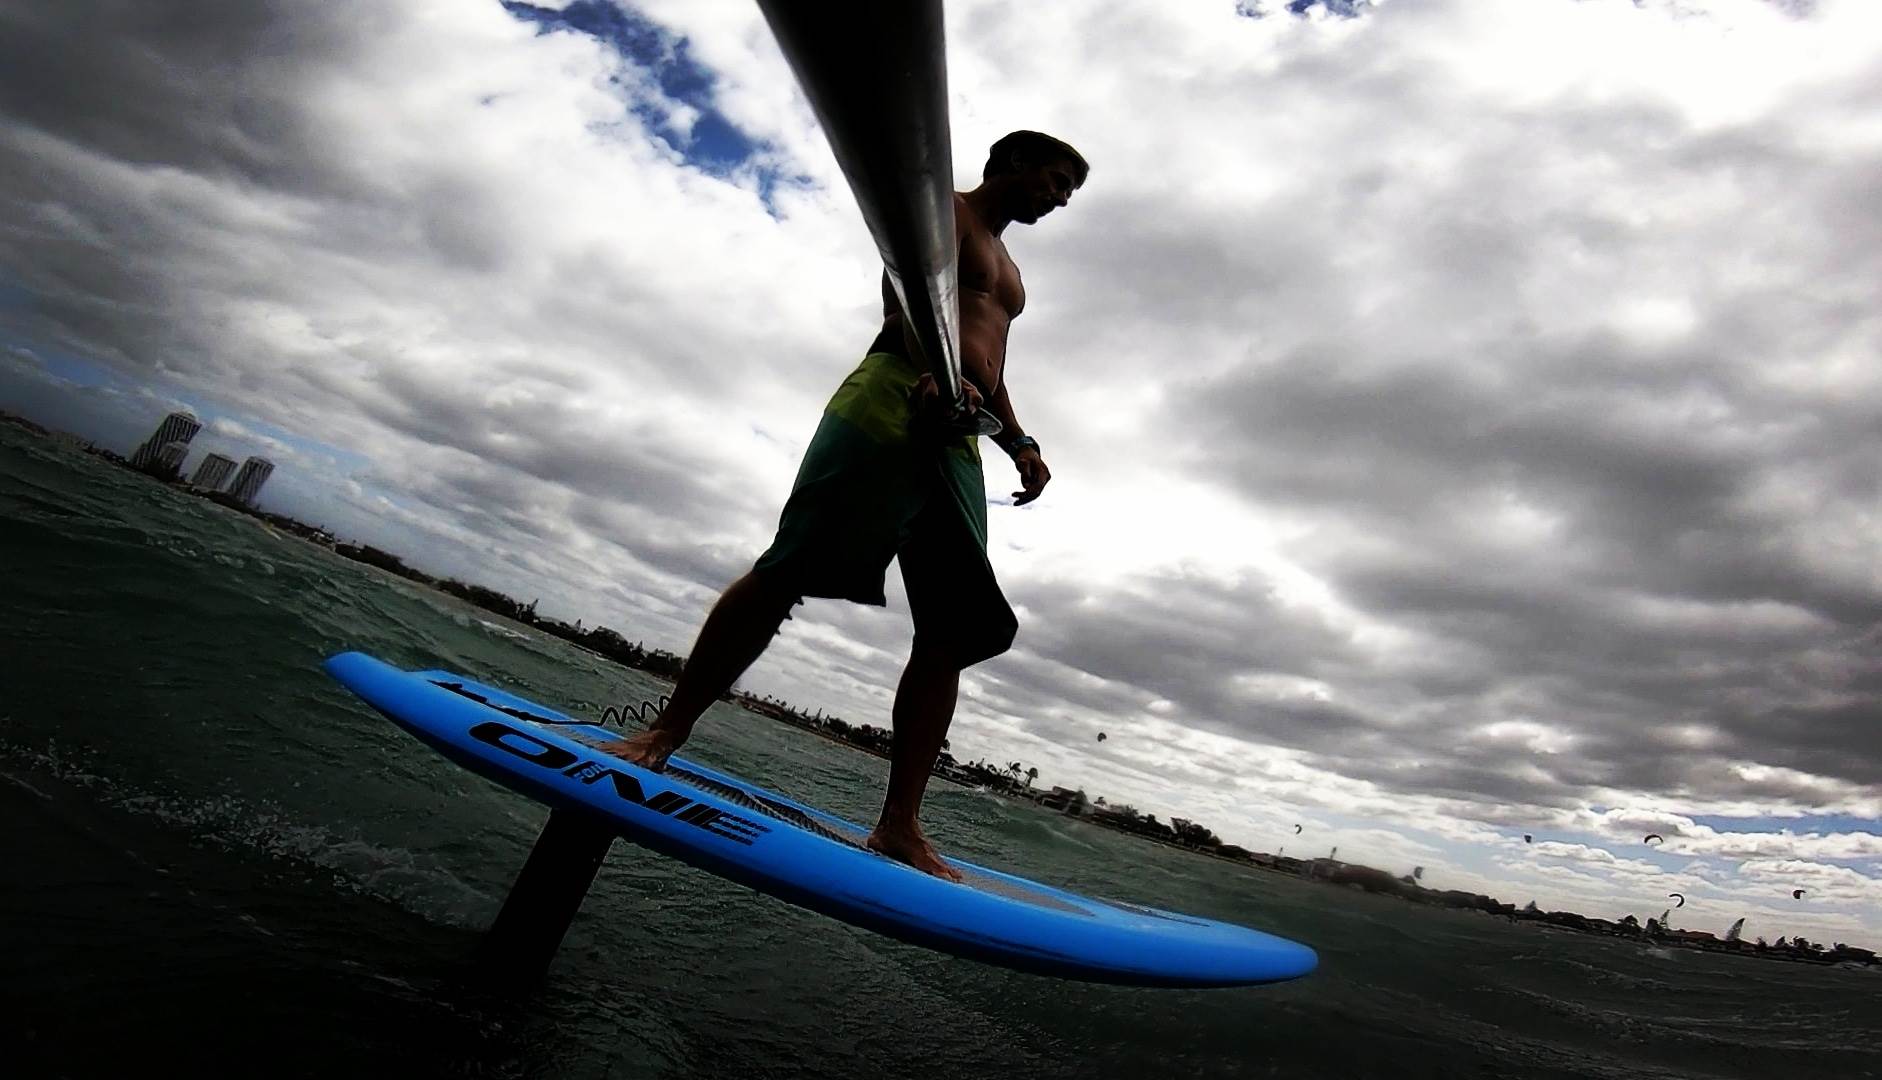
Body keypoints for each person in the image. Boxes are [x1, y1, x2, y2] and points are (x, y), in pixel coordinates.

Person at [599, 131, 1089, 880]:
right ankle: (664, 732)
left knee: (956, 626)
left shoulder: (1013, 271)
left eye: (1069, 192)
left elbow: (990, 358)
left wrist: (1019, 440)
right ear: (1013, 162)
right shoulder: (943, 209)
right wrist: (933, 366)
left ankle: (899, 824)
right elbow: (905, 290)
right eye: (1054, 181)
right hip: (894, 394)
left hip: (963, 426)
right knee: (789, 569)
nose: (1058, 199)